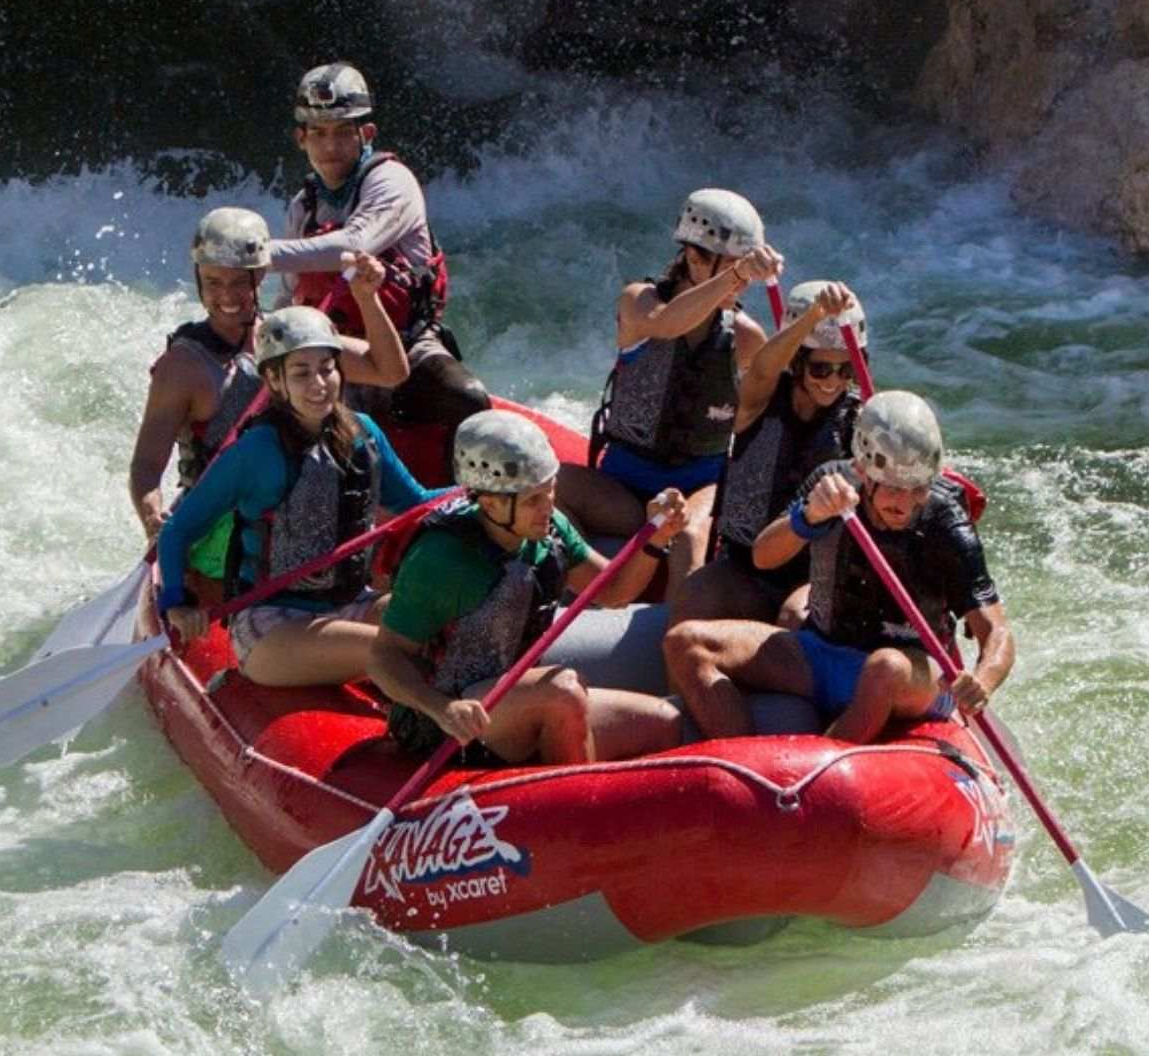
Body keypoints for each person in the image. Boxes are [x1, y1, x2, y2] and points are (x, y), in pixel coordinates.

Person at [665, 391, 1015, 744]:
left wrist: (983, 680)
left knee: (884, 667)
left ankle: (824, 763)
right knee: (686, 642)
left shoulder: (945, 518)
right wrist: (809, 517)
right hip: (823, 650)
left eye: (918, 488)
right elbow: (763, 557)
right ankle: (745, 760)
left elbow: (996, 630)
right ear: (864, 471)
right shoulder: (830, 484)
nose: (906, 503)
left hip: (911, 674)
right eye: (894, 488)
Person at [370, 411, 687, 766]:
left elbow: (613, 591)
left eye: (551, 491)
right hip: (445, 719)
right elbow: (384, 657)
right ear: (491, 504)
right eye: (534, 499)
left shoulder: (550, 530)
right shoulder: (441, 560)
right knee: (563, 690)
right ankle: (573, 805)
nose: (548, 507)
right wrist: (441, 708)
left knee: (665, 723)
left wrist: (656, 539)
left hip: (511, 698)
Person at [156, 306, 441, 687]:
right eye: (301, 373)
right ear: (274, 381)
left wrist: (480, 495)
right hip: (271, 623)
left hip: (351, 603)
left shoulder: (363, 434)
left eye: (327, 368)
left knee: (441, 627)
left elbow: (417, 505)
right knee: (392, 648)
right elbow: (177, 530)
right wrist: (175, 602)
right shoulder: (256, 451)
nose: (319, 383)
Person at [130, 207, 410, 577]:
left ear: (260, 277)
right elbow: (147, 465)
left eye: (238, 283)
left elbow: (390, 371)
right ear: (198, 278)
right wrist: (154, 522)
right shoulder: (181, 367)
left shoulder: (288, 337)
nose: (226, 296)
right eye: (213, 282)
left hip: (307, 499)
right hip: (225, 523)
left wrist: (366, 298)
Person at [556, 187, 783, 602]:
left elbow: (769, 414)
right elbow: (667, 325)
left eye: (745, 271)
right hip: (624, 486)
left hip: (701, 484)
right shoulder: (639, 302)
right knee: (546, 487)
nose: (742, 282)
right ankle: (570, 597)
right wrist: (734, 276)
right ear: (695, 258)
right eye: (732, 268)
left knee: (692, 534)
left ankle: (678, 638)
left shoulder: (747, 336)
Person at [272, 61, 491, 450]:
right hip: (337, 355)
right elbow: (289, 297)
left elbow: (351, 245)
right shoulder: (302, 207)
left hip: (405, 344)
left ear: (366, 133)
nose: (330, 147)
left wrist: (260, 254)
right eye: (318, 134)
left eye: (343, 132)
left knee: (468, 397)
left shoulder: (392, 182)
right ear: (300, 138)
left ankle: (468, 498)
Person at [673, 279, 865, 628]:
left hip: (812, 579)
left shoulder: (860, 421)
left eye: (846, 370)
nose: (833, 381)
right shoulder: (758, 401)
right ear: (796, 361)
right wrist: (815, 316)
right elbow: (762, 368)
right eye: (820, 368)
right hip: (745, 568)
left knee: (794, 615)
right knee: (693, 595)